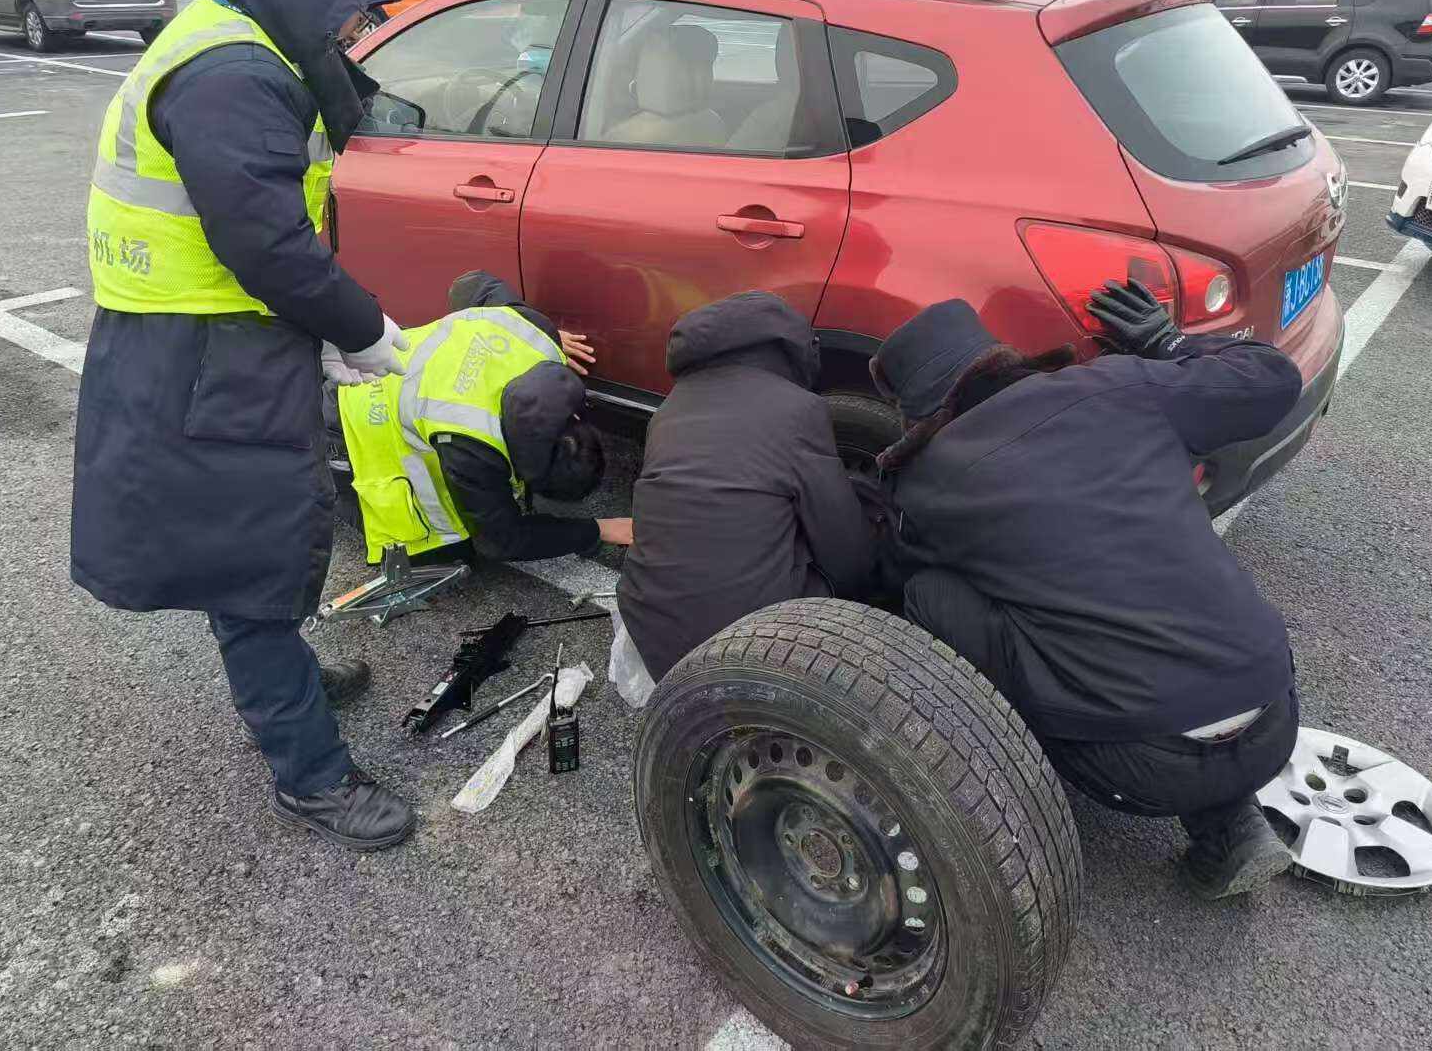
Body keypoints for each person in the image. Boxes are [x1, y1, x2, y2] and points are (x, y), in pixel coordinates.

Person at [71, 0, 417, 852]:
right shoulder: (232, 70)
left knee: (247, 549)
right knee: (253, 552)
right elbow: (262, 241)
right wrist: (358, 327)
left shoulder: (240, 39)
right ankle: (309, 772)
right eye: (350, 4)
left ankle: (285, 686)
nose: (355, 27)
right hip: (198, 352)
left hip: (210, 341)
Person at [870, 282, 1305, 898]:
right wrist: (1167, 343)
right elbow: (1274, 380)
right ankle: (1229, 820)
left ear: (919, 417)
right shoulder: (1121, 385)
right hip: (1275, 710)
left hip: (1141, 767)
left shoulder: (931, 483)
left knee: (927, 594)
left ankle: (1015, 783)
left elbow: (887, 576)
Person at [617, 291, 874, 679]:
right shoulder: (798, 408)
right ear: (787, 347)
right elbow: (842, 541)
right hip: (753, 644)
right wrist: (870, 586)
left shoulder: (667, 411)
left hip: (653, 634)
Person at [326, 270, 632, 564]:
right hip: (346, 429)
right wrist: (597, 529)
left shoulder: (536, 334)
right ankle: (320, 490)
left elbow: (470, 283)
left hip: (369, 374)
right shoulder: (473, 446)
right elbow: (501, 541)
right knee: (451, 548)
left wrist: (551, 334)